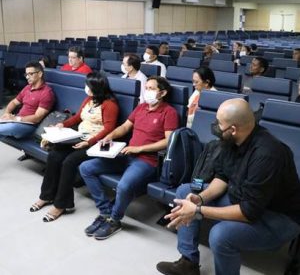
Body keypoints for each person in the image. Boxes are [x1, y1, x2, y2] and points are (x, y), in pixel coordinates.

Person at [157, 98, 300, 275]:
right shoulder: (232, 142)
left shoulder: (267, 154)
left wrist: (198, 210)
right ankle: (188, 263)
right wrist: (200, 199)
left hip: (277, 218)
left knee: (220, 235)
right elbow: (222, 177)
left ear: (233, 129)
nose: (215, 126)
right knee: (185, 191)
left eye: (219, 123)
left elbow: (249, 212)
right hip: (244, 199)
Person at [79, 76, 179, 240]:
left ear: (163, 93)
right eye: (146, 88)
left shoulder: (169, 112)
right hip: (127, 154)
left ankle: (115, 220)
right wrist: (109, 136)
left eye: (151, 88)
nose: (147, 91)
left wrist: (139, 148)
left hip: (147, 160)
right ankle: (105, 212)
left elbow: (169, 141)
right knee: (85, 168)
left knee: (124, 186)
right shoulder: (141, 108)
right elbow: (125, 126)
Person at [30, 71, 119, 222]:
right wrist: (62, 124)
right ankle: (47, 196)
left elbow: (109, 129)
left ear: (96, 87)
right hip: (79, 137)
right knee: (54, 155)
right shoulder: (89, 100)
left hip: (95, 143)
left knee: (69, 162)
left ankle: (62, 205)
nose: (86, 87)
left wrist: (89, 142)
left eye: (88, 85)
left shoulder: (110, 105)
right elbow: (78, 117)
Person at [0, 61, 54, 139]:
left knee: (11, 127)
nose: (27, 77)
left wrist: (16, 119)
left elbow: (37, 118)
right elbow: (14, 102)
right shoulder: (27, 88)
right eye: (26, 74)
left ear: (40, 74)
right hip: (17, 121)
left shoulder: (47, 93)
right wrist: (7, 113)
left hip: (30, 125)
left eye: (30, 74)